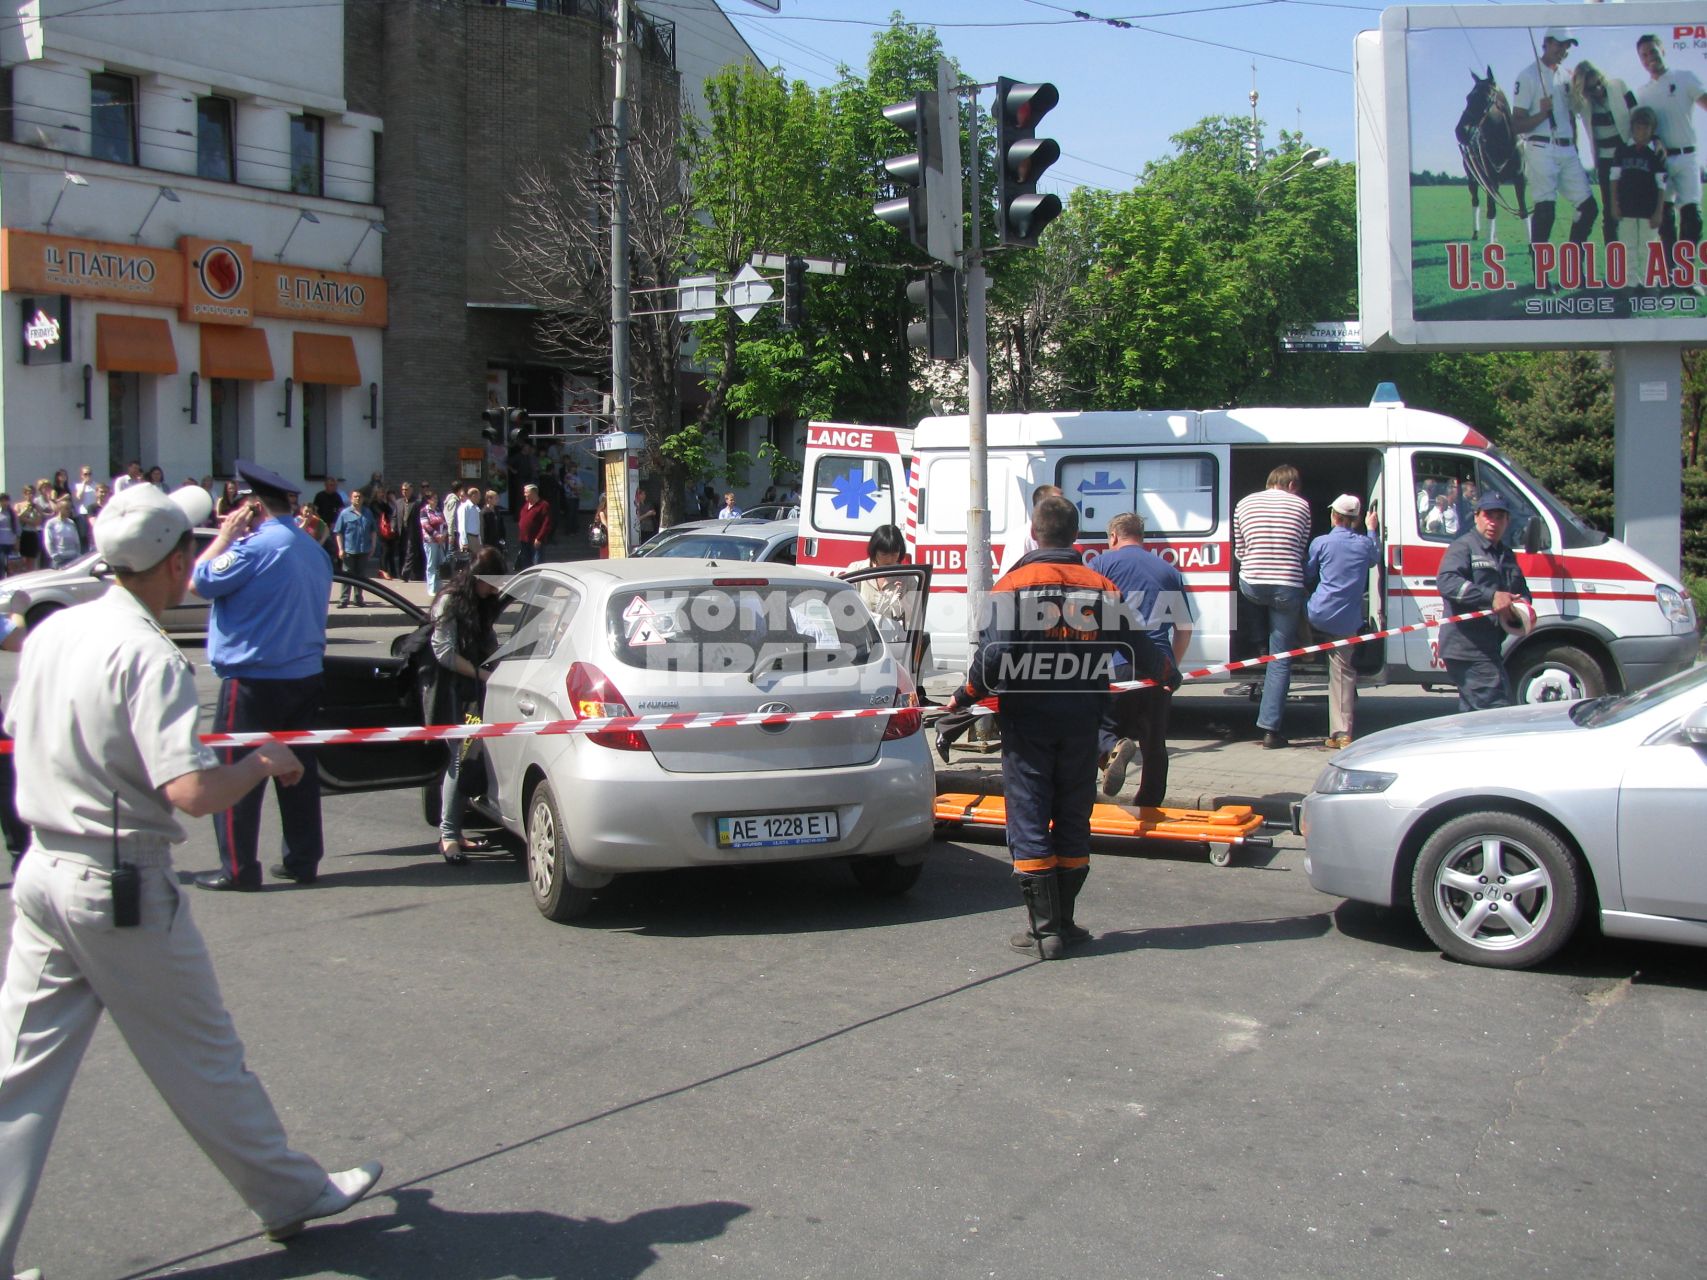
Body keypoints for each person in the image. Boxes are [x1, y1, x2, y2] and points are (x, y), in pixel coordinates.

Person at [0, 483, 381, 1279]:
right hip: (117, 880)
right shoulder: (148, 656)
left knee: (18, 1076)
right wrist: (262, 761)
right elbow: (191, 792)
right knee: (204, 1057)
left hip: (42, 868)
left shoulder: (55, 631)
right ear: (174, 560)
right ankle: (288, 1194)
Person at [946, 495, 1178, 959]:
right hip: (1083, 722)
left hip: (1028, 723)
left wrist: (963, 699)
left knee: (1029, 816)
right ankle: (1066, 923)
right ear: (1077, 537)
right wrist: (1167, 673)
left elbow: (992, 660)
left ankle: (1044, 930)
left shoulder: (1012, 586)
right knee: (1073, 816)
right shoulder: (1101, 587)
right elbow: (1139, 643)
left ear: (1035, 533)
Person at [189, 460, 333, 892]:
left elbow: (200, 581)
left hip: (254, 679)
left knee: (236, 773)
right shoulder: (313, 549)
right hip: (304, 675)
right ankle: (302, 860)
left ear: (253, 505)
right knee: (298, 772)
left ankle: (238, 868)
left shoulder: (253, 547)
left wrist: (225, 537)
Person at [1096, 512, 1194, 812]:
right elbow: (1184, 629)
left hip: (1115, 663)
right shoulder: (1168, 571)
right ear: (1142, 536)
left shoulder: (1101, 565)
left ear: (1114, 536)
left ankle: (1113, 751)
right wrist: (1170, 669)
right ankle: (1149, 805)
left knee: (1098, 726)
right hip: (1158, 665)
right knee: (1154, 742)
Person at [423, 546, 507, 865]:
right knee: (460, 760)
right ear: (478, 576)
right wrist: (483, 674)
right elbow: (443, 654)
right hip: (453, 694)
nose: (496, 589)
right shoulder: (449, 601)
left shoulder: (480, 603)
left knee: (466, 756)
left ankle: (455, 833)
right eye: (493, 582)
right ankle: (448, 837)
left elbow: (488, 641)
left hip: (472, 692)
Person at [1511, 27, 1598, 287]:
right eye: (1560, 45)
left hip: (1567, 149)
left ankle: (1573, 268)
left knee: (1589, 207)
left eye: (1567, 46)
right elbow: (1516, 125)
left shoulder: (1566, 76)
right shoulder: (1527, 76)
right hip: (1540, 147)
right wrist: (1541, 113)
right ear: (1546, 43)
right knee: (1546, 211)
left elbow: (1574, 115)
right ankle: (1541, 275)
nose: (1564, 50)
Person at [1232, 463, 1310, 749]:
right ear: (1292, 484)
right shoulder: (1301, 505)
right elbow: (1301, 549)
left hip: (1252, 582)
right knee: (1281, 659)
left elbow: (1240, 550)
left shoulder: (1244, 503)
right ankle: (1270, 729)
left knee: (1249, 593)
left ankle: (1256, 642)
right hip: (1287, 585)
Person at [1436, 491, 1533, 713]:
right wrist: (1491, 597)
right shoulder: (1464, 547)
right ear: (1477, 516)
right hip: (1466, 647)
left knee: (1474, 718)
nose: (1494, 522)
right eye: (1489, 515)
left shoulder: (1506, 555)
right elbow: (1447, 582)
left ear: (1507, 521)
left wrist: (1520, 609)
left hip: (1490, 646)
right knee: (1496, 712)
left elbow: (1522, 592)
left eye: (1500, 517)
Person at [1305, 495, 1382, 750]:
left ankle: (1303, 647)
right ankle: (1342, 733)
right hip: (1347, 620)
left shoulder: (1321, 542)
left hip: (1318, 614)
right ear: (1356, 519)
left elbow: (1308, 574)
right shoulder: (1364, 545)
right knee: (1343, 673)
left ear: (1333, 516)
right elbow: (1376, 558)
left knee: (1296, 611)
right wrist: (1372, 530)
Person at [1635, 32, 1707, 262]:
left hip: (1687, 155)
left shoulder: (1685, 77)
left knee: (1692, 216)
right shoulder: (1643, 93)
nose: (1649, 58)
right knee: (1665, 219)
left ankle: (1685, 272)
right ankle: (1670, 271)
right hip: (1661, 161)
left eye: (1653, 51)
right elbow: (1645, 129)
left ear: (1663, 50)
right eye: (1644, 55)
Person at [1571, 60, 1638, 246]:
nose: (1598, 89)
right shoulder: (1582, 103)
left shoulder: (1619, 86)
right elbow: (1566, 98)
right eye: (1591, 88)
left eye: (1599, 82)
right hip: (1605, 163)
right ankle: (1614, 268)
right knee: (1610, 214)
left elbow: (1637, 113)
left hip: (1629, 157)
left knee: (1635, 211)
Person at [1611, 106, 1670, 264]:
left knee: (1649, 246)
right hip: (1626, 206)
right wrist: (1614, 204)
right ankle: (1628, 284)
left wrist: (1658, 212)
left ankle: (1650, 283)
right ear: (1632, 127)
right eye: (1638, 127)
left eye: (1646, 128)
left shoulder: (1656, 153)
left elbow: (1661, 185)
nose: (1642, 132)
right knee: (1627, 246)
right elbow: (1614, 178)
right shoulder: (1623, 150)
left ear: (1652, 130)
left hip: (1648, 209)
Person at [845, 524, 911, 623]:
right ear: (874, 551)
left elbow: (914, 619)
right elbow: (844, 607)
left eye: (894, 554)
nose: (889, 559)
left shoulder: (907, 578)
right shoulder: (856, 571)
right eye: (884, 554)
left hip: (894, 637)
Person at [996, 483, 1063, 580]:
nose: (1064, 506)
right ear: (1043, 505)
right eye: (1058, 503)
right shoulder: (1022, 536)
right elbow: (1015, 575)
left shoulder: (1057, 533)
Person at [332, 487, 376, 608]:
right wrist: (340, 548)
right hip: (349, 550)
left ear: (363, 499)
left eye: (359, 497)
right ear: (351, 499)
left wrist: (373, 545)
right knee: (347, 575)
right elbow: (338, 532)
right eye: (355, 497)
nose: (357, 499)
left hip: (364, 549)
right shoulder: (344, 513)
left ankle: (358, 599)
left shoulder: (368, 513)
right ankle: (344, 600)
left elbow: (373, 530)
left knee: (360, 576)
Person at [420, 484, 450, 594]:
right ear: (429, 500)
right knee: (431, 564)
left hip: (440, 542)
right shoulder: (424, 511)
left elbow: (445, 524)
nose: (436, 501)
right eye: (434, 499)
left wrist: (445, 535)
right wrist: (437, 535)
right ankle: (431, 588)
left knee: (439, 564)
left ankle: (439, 588)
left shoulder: (438, 510)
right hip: (430, 541)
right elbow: (426, 526)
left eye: (437, 499)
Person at [516, 483, 553, 569]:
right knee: (526, 564)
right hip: (524, 540)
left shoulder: (543, 505)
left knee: (537, 564)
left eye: (526, 492)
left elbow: (546, 524)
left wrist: (539, 538)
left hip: (535, 541)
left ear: (533, 493)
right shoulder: (526, 505)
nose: (524, 494)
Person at [42, 496, 81, 568]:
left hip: (73, 557)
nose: (69, 511)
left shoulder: (71, 522)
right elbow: (48, 541)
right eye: (67, 509)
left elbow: (76, 540)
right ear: (60, 509)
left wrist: (78, 553)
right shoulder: (51, 523)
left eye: (70, 508)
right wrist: (53, 555)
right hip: (59, 558)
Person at [399, 482, 423, 581]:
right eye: (403, 490)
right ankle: (417, 574)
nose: (404, 492)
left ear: (411, 490)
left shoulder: (417, 503)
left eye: (406, 490)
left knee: (410, 552)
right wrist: (393, 526)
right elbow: (395, 516)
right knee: (406, 552)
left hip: (413, 531)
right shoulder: (399, 502)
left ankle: (405, 573)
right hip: (402, 531)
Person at [456, 483, 484, 564]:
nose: (480, 498)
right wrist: (464, 542)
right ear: (473, 496)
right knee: (469, 562)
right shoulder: (465, 507)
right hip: (469, 537)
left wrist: (479, 540)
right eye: (478, 496)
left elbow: (477, 525)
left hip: (476, 537)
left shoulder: (476, 508)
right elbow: (462, 525)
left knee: (477, 561)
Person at [480, 488, 508, 567]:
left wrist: (503, 537)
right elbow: (483, 529)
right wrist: (484, 543)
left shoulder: (497, 510)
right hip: (489, 542)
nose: (498, 500)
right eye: (496, 498)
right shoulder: (484, 512)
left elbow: (501, 525)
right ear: (489, 499)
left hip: (498, 541)